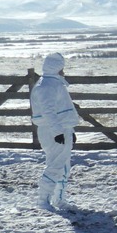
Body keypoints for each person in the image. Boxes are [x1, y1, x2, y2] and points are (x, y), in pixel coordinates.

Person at [30, 52, 81, 210]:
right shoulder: (47, 86)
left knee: (63, 166)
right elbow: (48, 111)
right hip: (54, 131)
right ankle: (43, 200)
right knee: (55, 165)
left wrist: (69, 130)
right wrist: (58, 131)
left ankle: (58, 199)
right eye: (62, 67)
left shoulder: (52, 83)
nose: (63, 71)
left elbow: (61, 110)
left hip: (61, 129)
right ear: (57, 67)